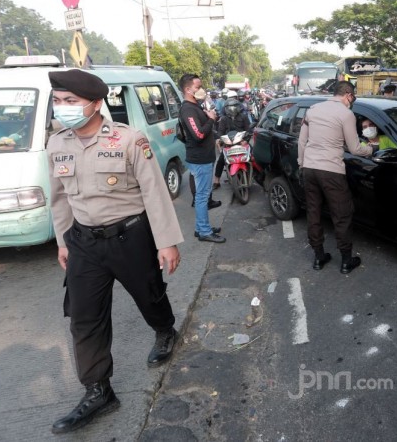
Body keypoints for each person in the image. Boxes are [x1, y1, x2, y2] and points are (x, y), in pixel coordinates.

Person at [46, 69, 184, 433]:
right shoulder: (57, 143)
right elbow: (60, 198)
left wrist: (166, 241)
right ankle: (98, 390)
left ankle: (165, 329)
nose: (63, 108)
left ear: (94, 104)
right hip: (83, 243)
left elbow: (154, 191)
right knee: (84, 318)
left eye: (71, 102)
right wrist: (62, 241)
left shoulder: (128, 139)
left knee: (149, 295)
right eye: (58, 101)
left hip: (130, 237)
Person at [297, 81, 374, 274]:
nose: (352, 101)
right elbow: (355, 148)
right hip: (331, 170)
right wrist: (372, 148)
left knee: (313, 212)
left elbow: (302, 140)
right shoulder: (346, 114)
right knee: (342, 214)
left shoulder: (313, 109)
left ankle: (318, 257)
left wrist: (302, 163)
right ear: (348, 94)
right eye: (353, 97)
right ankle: (347, 260)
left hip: (309, 168)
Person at [178, 73, 225, 243]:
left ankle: (201, 228)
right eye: (198, 87)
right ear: (188, 89)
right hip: (200, 159)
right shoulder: (188, 109)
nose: (201, 90)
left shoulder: (195, 106)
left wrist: (208, 116)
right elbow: (198, 134)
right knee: (202, 196)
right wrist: (211, 120)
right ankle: (204, 231)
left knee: (202, 195)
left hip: (204, 157)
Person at [212, 97, 251, 190]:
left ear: (238, 107)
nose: (232, 109)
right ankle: (216, 180)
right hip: (229, 143)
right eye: (229, 107)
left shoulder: (244, 117)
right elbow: (220, 132)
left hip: (242, 142)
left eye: (234, 107)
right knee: (221, 160)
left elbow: (249, 130)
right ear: (225, 109)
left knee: (253, 156)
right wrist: (219, 139)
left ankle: (257, 176)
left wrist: (246, 140)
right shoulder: (224, 119)